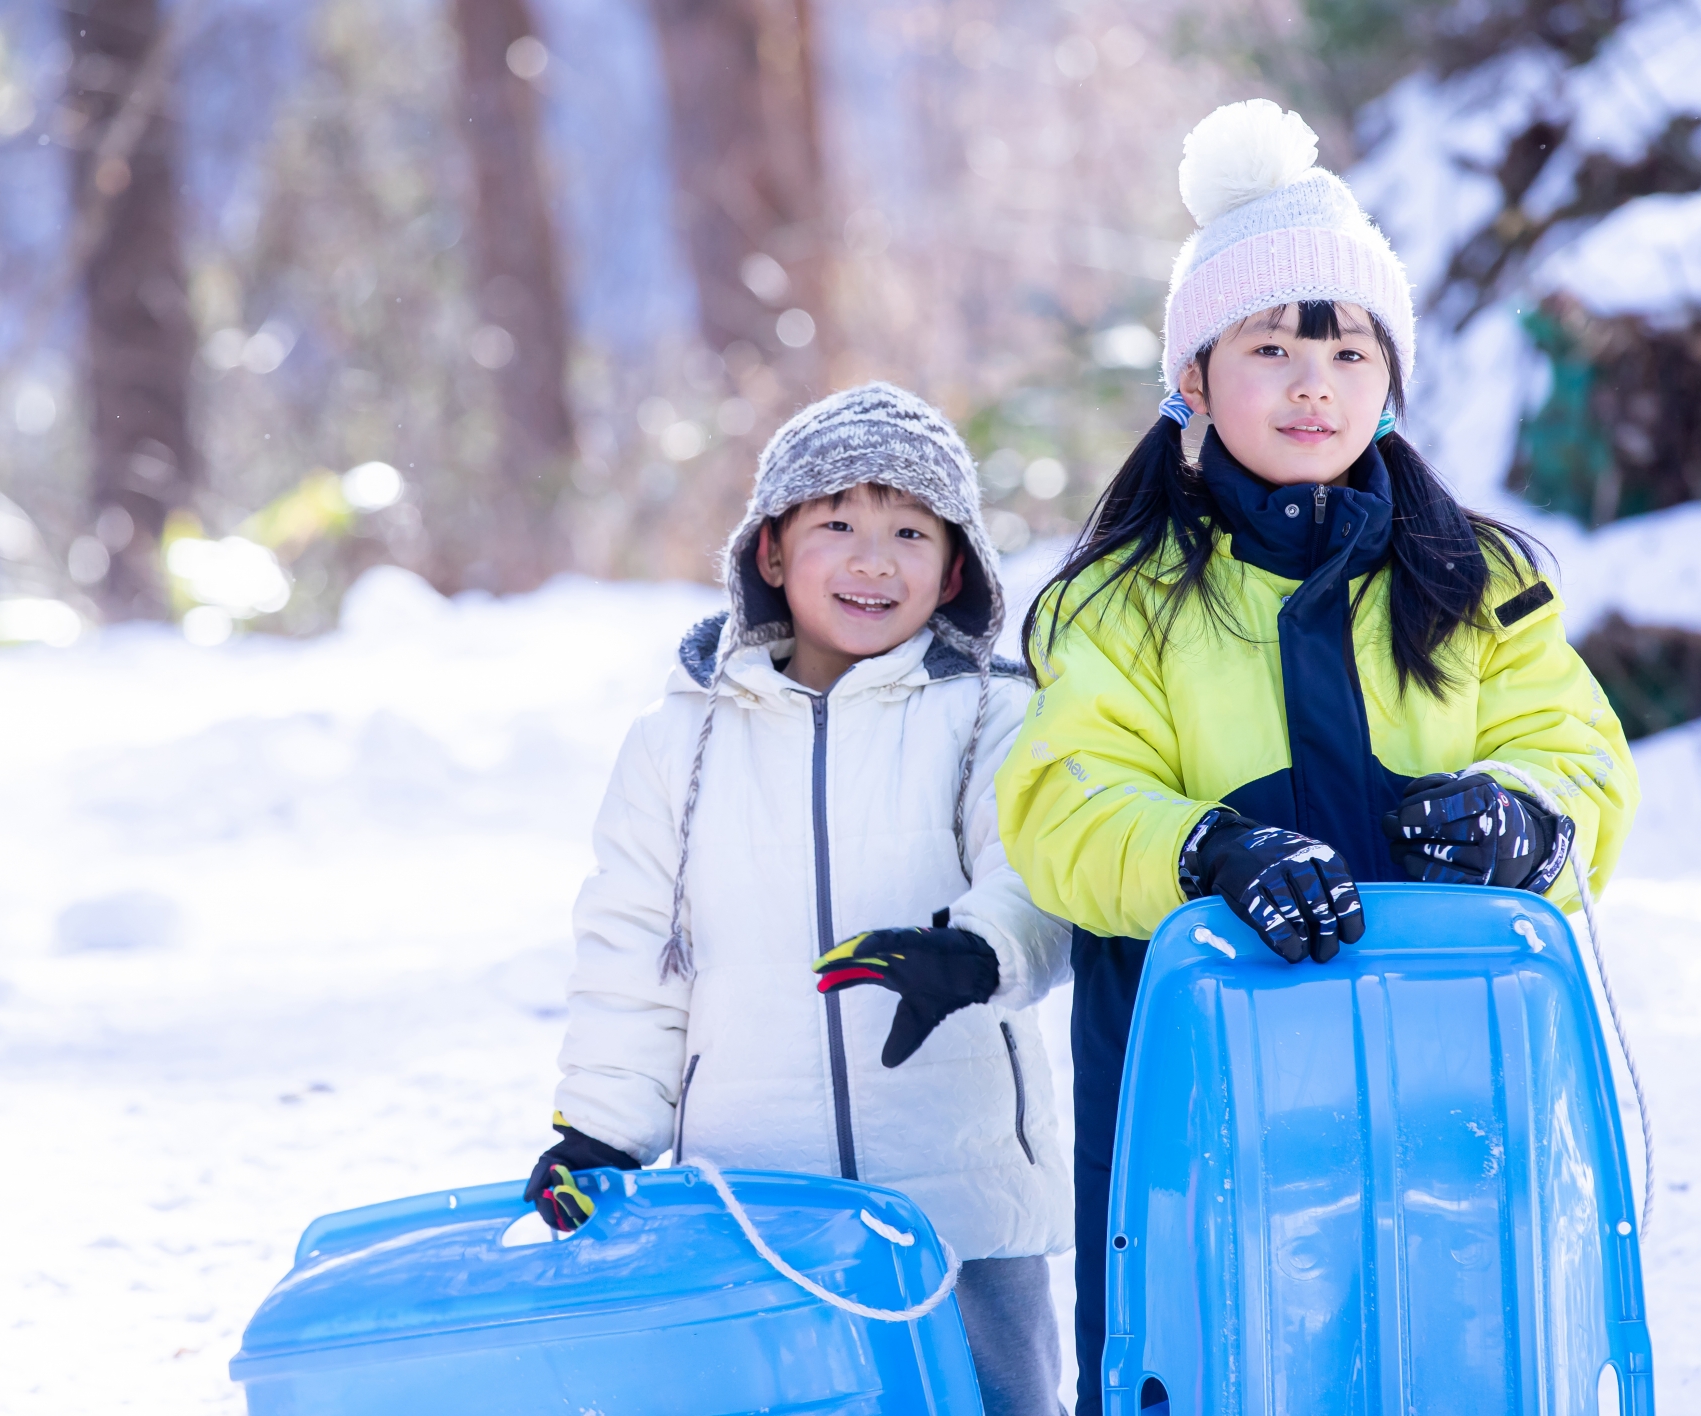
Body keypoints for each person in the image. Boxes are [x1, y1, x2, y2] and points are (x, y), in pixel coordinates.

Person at [993, 100, 1639, 1416]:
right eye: (1270, 346)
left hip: (1450, 1061)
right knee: (1212, 1354)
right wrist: (1205, 848)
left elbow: (1573, 750)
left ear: (1390, 377)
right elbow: (1062, 800)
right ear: (1194, 378)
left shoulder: (1479, 581)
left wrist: (1530, 822)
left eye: (1347, 351)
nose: (1311, 384)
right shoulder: (1121, 602)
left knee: (1448, 1341)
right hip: (1202, 1069)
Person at [526, 383, 1074, 1415]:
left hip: (959, 1195)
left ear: (956, 567)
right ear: (769, 552)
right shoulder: (677, 743)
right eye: (838, 524)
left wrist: (976, 953)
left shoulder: (992, 716)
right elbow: (633, 949)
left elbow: (1042, 881)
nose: (875, 559)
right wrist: (600, 1130)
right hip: (754, 1198)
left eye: (911, 529)